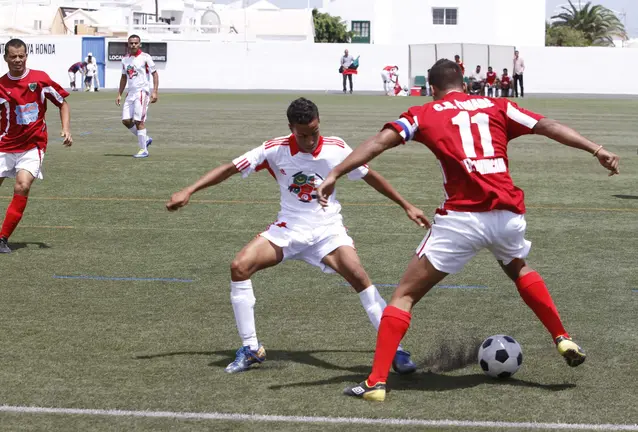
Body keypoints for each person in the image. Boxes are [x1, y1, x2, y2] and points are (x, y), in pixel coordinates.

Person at [316, 59, 620, 401]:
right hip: (507, 215)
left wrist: (335, 173)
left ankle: (375, 383)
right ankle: (561, 336)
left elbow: (378, 143)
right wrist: (596, 148)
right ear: (464, 83)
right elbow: (547, 125)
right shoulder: (497, 105)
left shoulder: (423, 113)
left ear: (432, 88)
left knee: (404, 296)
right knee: (519, 268)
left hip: (461, 220)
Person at [166, 97, 430, 375]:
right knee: (239, 267)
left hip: (328, 231)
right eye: (302, 135)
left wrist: (407, 205)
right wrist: (189, 190)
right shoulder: (274, 149)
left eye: (314, 132)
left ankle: (395, 350)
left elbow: (370, 175)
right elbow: (230, 169)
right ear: (291, 128)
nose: (310, 141)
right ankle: (251, 348)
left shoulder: (336, 148)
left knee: (360, 278)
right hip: (288, 231)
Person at [0, 38, 73, 254]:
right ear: (5, 58)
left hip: (33, 145)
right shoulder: (1, 85)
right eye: (13, 56)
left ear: (26, 56)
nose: (18, 60)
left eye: (21, 56)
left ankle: (2, 238)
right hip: (5, 144)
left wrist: (66, 128)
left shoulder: (40, 80)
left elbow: (63, 103)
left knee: (22, 185)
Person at [116, 34, 158, 158]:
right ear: (128, 44)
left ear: (139, 44)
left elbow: (155, 74)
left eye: (135, 43)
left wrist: (154, 91)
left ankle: (143, 149)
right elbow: (124, 77)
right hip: (130, 93)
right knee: (126, 120)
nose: (133, 45)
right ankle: (145, 139)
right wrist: (119, 94)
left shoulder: (145, 57)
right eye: (131, 43)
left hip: (141, 92)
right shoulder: (125, 60)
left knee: (139, 121)